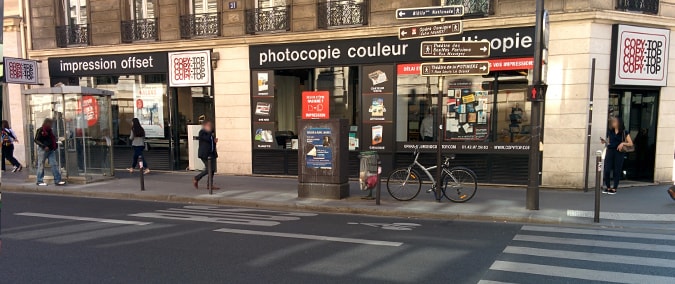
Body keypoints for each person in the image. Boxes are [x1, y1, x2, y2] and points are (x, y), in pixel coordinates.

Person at [601, 116, 633, 195]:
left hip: (619, 152)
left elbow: (631, 143)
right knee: (607, 169)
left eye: (615, 122)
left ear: (619, 123)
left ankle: (614, 187)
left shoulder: (624, 132)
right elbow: (609, 142)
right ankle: (608, 187)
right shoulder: (610, 131)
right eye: (612, 122)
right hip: (610, 151)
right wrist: (605, 142)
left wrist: (622, 143)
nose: (613, 123)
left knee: (617, 170)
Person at [34, 118, 65, 186]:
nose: (51, 125)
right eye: (50, 123)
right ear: (47, 123)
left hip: (51, 150)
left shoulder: (50, 131)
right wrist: (44, 146)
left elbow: (52, 139)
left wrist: (56, 143)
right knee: (41, 165)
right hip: (43, 150)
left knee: (54, 164)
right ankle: (39, 180)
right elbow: (36, 140)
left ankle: (57, 180)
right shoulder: (40, 130)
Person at [193, 120, 219, 190]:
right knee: (209, 169)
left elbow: (210, 142)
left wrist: (214, 141)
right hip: (205, 154)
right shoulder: (202, 132)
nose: (210, 127)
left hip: (211, 153)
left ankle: (209, 185)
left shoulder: (211, 133)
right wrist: (210, 133)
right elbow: (206, 139)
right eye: (208, 125)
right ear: (205, 126)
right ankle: (196, 178)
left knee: (212, 169)